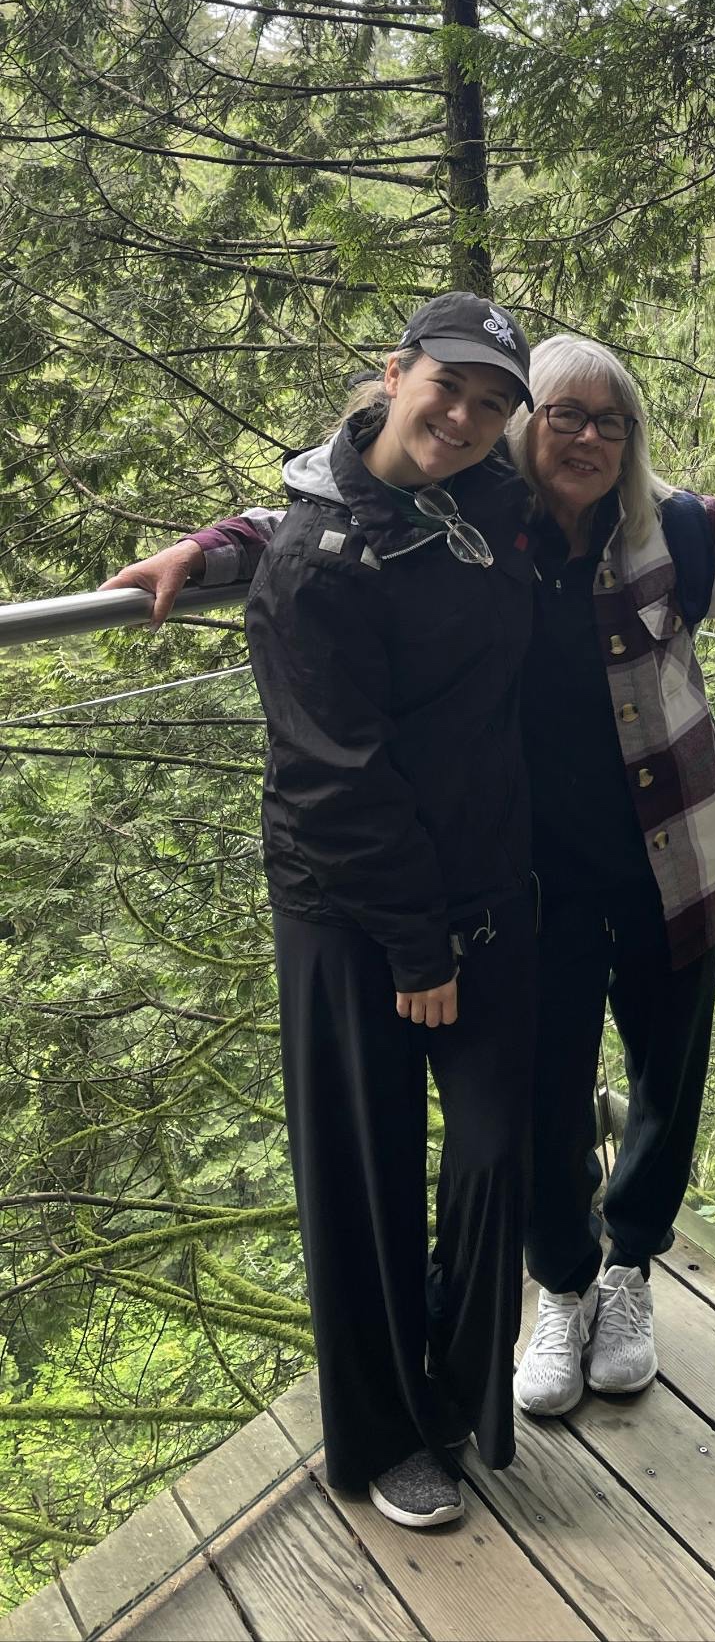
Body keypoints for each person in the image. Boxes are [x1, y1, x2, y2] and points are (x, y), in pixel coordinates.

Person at [104, 334, 715, 1424]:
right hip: (533, 879)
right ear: (527, 430)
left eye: (609, 421)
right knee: (542, 1092)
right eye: (563, 416)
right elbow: (321, 519)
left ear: (631, 443)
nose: (585, 437)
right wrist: (200, 554)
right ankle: (563, 1285)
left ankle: (631, 1268)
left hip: (674, 861)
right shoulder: (479, 524)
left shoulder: (673, 532)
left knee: (668, 1080)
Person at [105, 293, 538, 1530]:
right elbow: (331, 777)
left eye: (492, 400)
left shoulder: (492, 503)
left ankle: (453, 1399)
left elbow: (624, 524)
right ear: (393, 373)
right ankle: (386, 1439)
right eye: (445, 386)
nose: (464, 415)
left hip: (488, 887)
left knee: (504, 1148)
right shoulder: (312, 563)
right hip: (355, 906)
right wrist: (415, 943)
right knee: (362, 1173)